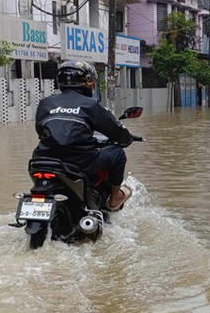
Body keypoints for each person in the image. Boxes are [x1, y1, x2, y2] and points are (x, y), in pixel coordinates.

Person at [33, 61, 134, 211]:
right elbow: (118, 134)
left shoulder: (46, 103)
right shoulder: (91, 104)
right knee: (118, 153)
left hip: (42, 159)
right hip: (79, 161)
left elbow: (40, 131)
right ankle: (114, 199)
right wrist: (128, 138)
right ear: (88, 81)